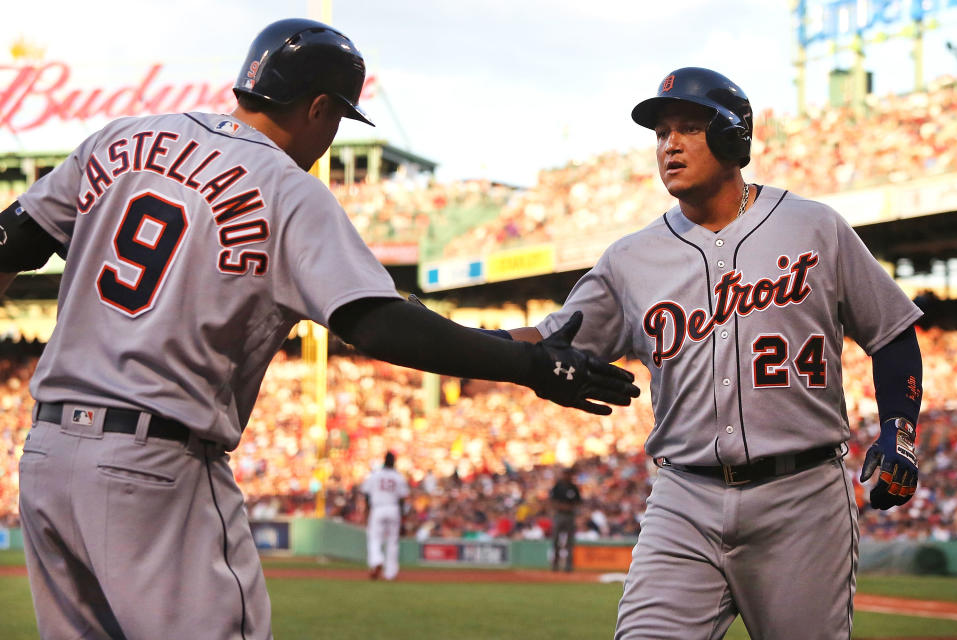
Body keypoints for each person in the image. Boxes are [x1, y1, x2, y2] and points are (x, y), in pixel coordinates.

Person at [0, 19, 640, 640]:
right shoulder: (286, 187)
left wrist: (501, 342)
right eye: (336, 117)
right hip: (154, 468)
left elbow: (10, 241)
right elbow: (377, 322)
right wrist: (526, 367)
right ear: (318, 108)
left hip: (49, 455)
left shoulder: (122, 139)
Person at [506, 67, 923, 639]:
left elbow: (892, 329)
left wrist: (900, 432)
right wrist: (460, 340)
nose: (668, 144)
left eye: (688, 128)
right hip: (684, 497)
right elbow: (551, 339)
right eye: (660, 133)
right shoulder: (631, 259)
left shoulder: (814, 226)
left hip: (801, 498)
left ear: (733, 138)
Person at [361, 451, 409, 581]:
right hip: (393, 508)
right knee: (393, 542)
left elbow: (366, 495)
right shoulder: (399, 477)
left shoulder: (375, 475)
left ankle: (377, 561)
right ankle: (390, 573)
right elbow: (402, 499)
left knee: (375, 539)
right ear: (394, 462)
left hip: (378, 509)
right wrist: (403, 517)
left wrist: (366, 512)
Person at [549, 466, 582, 572]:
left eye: (568, 474)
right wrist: (562, 507)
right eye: (565, 474)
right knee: (556, 540)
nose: (567, 476)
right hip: (560, 515)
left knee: (570, 542)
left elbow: (578, 502)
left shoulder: (573, 487)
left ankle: (568, 566)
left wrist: (570, 508)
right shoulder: (558, 486)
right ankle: (555, 565)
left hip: (570, 515)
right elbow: (552, 501)